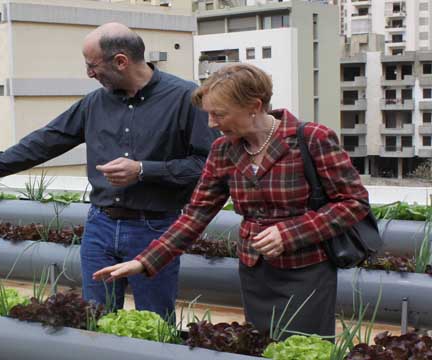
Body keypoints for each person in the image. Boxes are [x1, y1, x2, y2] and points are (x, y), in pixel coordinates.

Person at [0, 22, 218, 319]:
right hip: (100, 227)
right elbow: (39, 145)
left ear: (121, 61)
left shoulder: (185, 98)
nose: (89, 73)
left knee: (154, 323)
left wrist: (143, 170)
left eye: (92, 65)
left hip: (154, 229)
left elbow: (206, 165)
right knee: (93, 319)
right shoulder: (93, 103)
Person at [93, 63, 371, 338]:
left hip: (307, 271)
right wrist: (143, 262)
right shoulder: (222, 150)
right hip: (255, 271)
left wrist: (288, 233)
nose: (212, 123)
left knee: (305, 351)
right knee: (259, 346)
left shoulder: (312, 138)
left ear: (254, 106)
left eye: (219, 114)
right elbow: (195, 215)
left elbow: (353, 202)